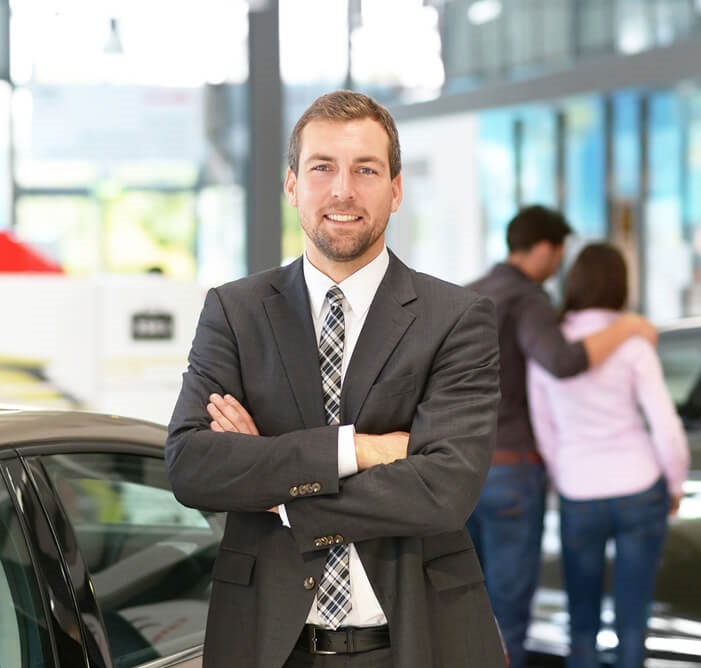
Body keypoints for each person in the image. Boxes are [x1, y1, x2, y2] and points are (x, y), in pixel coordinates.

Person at [165, 90, 506, 668]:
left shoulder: (456, 318)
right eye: (323, 168)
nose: (343, 190)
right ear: (292, 184)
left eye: (365, 170)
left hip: (417, 641)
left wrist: (282, 494)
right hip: (268, 645)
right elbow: (192, 466)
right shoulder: (235, 311)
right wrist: (360, 449)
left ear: (396, 190)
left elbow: (445, 490)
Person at [466, 205, 657, 668]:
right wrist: (629, 326)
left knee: (466, 610)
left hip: (464, 469)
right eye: (559, 252)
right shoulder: (528, 299)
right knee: (508, 616)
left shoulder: (467, 294)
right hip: (513, 469)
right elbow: (561, 360)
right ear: (547, 249)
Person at [526, 242, 689, 668]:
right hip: (638, 487)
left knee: (582, 624)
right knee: (632, 623)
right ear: (621, 285)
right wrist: (674, 483)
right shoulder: (633, 343)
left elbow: (546, 430)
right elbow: (666, 425)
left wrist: (565, 479)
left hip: (579, 491)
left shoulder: (549, 344)